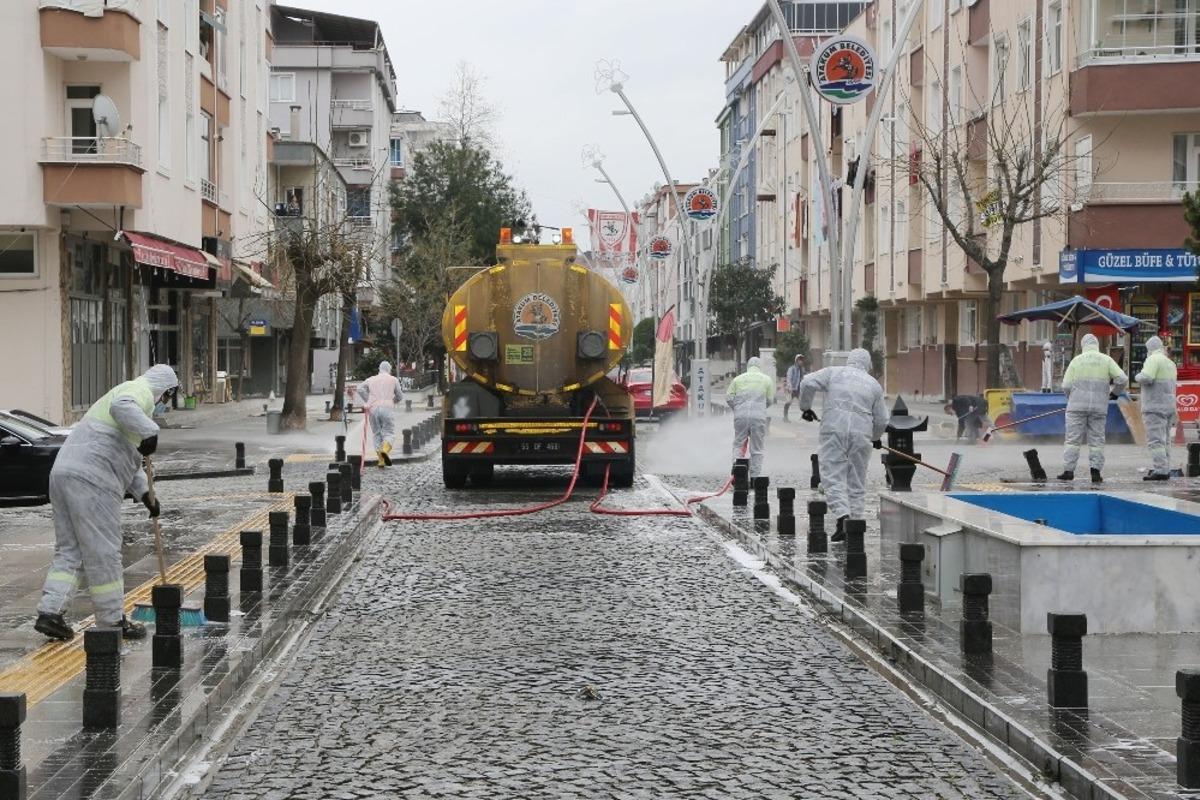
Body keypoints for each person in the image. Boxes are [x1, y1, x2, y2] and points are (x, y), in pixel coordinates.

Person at [35, 364, 179, 642]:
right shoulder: (139, 392)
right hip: (93, 479)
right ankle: (113, 620)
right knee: (104, 552)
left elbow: (128, 460)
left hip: (64, 474)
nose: (165, 404)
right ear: (166, 391)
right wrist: (150, 432)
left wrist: (146, 495)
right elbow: (122, 407)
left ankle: (50, 612)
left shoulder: (131, 402)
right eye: (169, 398)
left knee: (70, 549)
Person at [798, 349, 889, 541]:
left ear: (850, 360)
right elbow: (881, 420)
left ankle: (842, 517)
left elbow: (806, 382)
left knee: (832, 477)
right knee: (856, 481)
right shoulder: (874, 385)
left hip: (834, 430)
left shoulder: (834, 372)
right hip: (861, 435)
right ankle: (854, 527)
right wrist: (874, 437)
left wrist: (805, 408)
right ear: (867, 363)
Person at [1058, 333, 1128, 483]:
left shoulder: (1077, 361)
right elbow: (1122, 379)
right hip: (1099, 407)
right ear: (1096, 345)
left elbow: (1066, 385)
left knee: (1072, 440)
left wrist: (1071, 398)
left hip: (1076, 407)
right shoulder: (1106, 360)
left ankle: (1068, 471)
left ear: (1083, 345)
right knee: (1097, 440)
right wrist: (1114, 393)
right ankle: (1095, 472)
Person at [1135, 335, 1178, 480]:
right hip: (1168, 406)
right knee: (1165, 440)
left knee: (1155, 440)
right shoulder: (1170, 363)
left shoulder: (1152, 359)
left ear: (1150, 348)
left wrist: (1137, 376)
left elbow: (1147, 377)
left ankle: (1160, 471)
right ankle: (1164, 467)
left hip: (1154, 406)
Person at [726, 356, 776, 478]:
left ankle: (738, 476)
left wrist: (737, 409)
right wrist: (760, 408)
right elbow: (769, 400)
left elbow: (729, 398)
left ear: (748, 367)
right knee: (757, 448)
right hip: (758, 417)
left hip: (741, 417)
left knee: (738, 444)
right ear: (759, 367)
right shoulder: (767, 380)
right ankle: (755, 477)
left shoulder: (737, 379)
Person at [356, 360, 405, 467]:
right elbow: (400, 396)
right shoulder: (393, 380)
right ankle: (385, 451)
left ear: (379, 369)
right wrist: (393, 401)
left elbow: (359, 388)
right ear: (389, 369)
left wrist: (368, 400)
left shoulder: (371, 379)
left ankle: (381, 460)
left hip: (373, 409)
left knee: (377, 433)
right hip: (387, 408)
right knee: (389, 433)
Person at [782, 355, 807, 422]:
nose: (801, 361)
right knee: (788, 402)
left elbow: (804, 379)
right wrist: (790, 387)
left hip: (798, 389)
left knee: (802, 403)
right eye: (799, 360)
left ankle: (804, 416)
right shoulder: (791, 369)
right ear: (796, 361)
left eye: (802, 360)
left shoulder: (802, 369)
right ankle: (785, 417)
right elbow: (789, 379)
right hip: (791, 389)